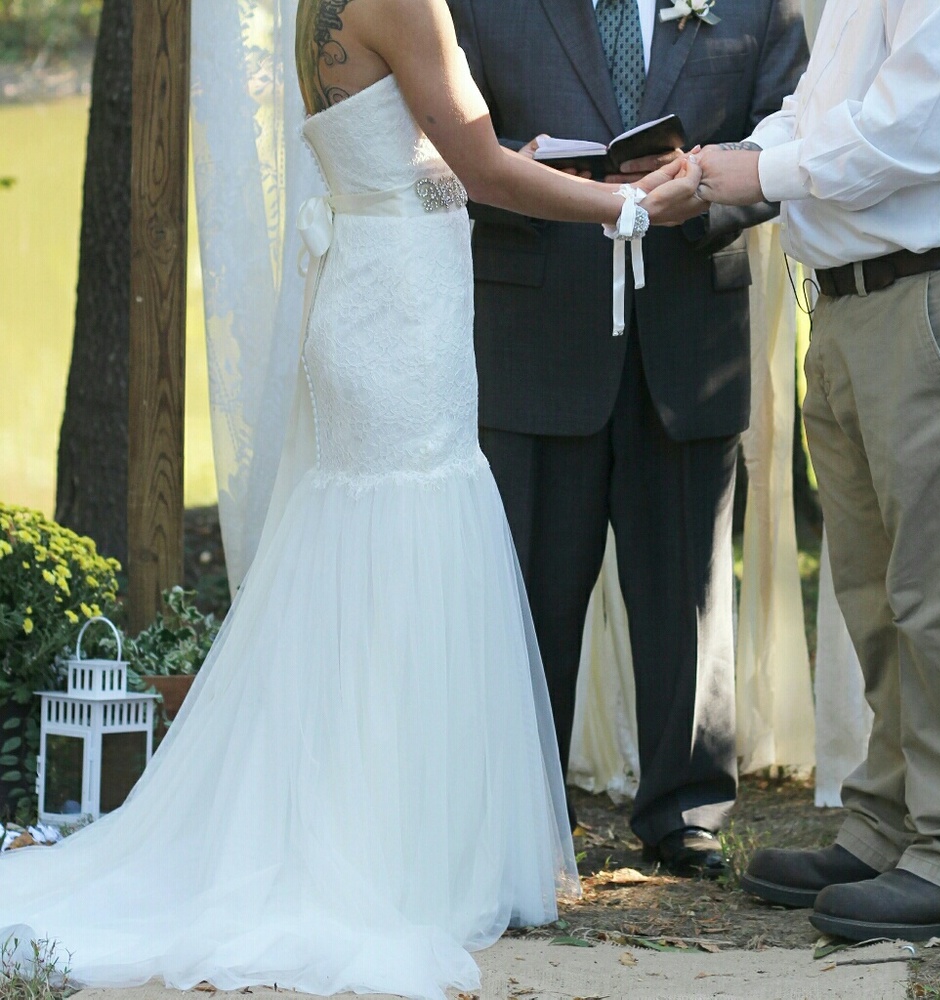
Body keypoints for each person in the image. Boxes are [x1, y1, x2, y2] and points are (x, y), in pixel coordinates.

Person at [0, 1, 704, 997]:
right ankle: (384, 850)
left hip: (368, 293)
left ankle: (369, 825)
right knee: (402, 561)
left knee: (362, 564)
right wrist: (623, 206)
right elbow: (481, 173)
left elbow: (394, 151)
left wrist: (513, 152)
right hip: (402, 320)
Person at [448, 0, 808, 877]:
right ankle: (524, 802)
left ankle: (685, 807)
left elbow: (792, 132)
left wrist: (711, 190)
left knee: (687, 592)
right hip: (536, 332)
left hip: (689, 338)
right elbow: (435, 143)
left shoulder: (757, 5)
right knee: (529, 591)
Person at [694, 0, 940, 941]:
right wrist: (719, 164)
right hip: (852, 302)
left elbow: (921, 129)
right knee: (873, 592)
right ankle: (893, 821)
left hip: (934, 293)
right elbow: (819, 110)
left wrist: (758, 170)